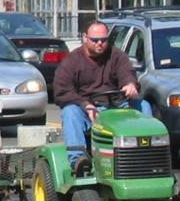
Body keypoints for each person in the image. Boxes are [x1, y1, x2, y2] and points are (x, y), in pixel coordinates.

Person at [53, 22, 152, 165]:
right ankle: (78, 159)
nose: (100, 43)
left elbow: (127, 73)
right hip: (87, 110)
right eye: (95, 40)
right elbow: (62, 91)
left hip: (117, 106)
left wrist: (130, 84)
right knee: (70, 112)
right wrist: (85, 105)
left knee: (144, 105)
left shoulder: (117, 56)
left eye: (104, 40)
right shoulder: (71, 61)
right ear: (85, 38)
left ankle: (146, 154)